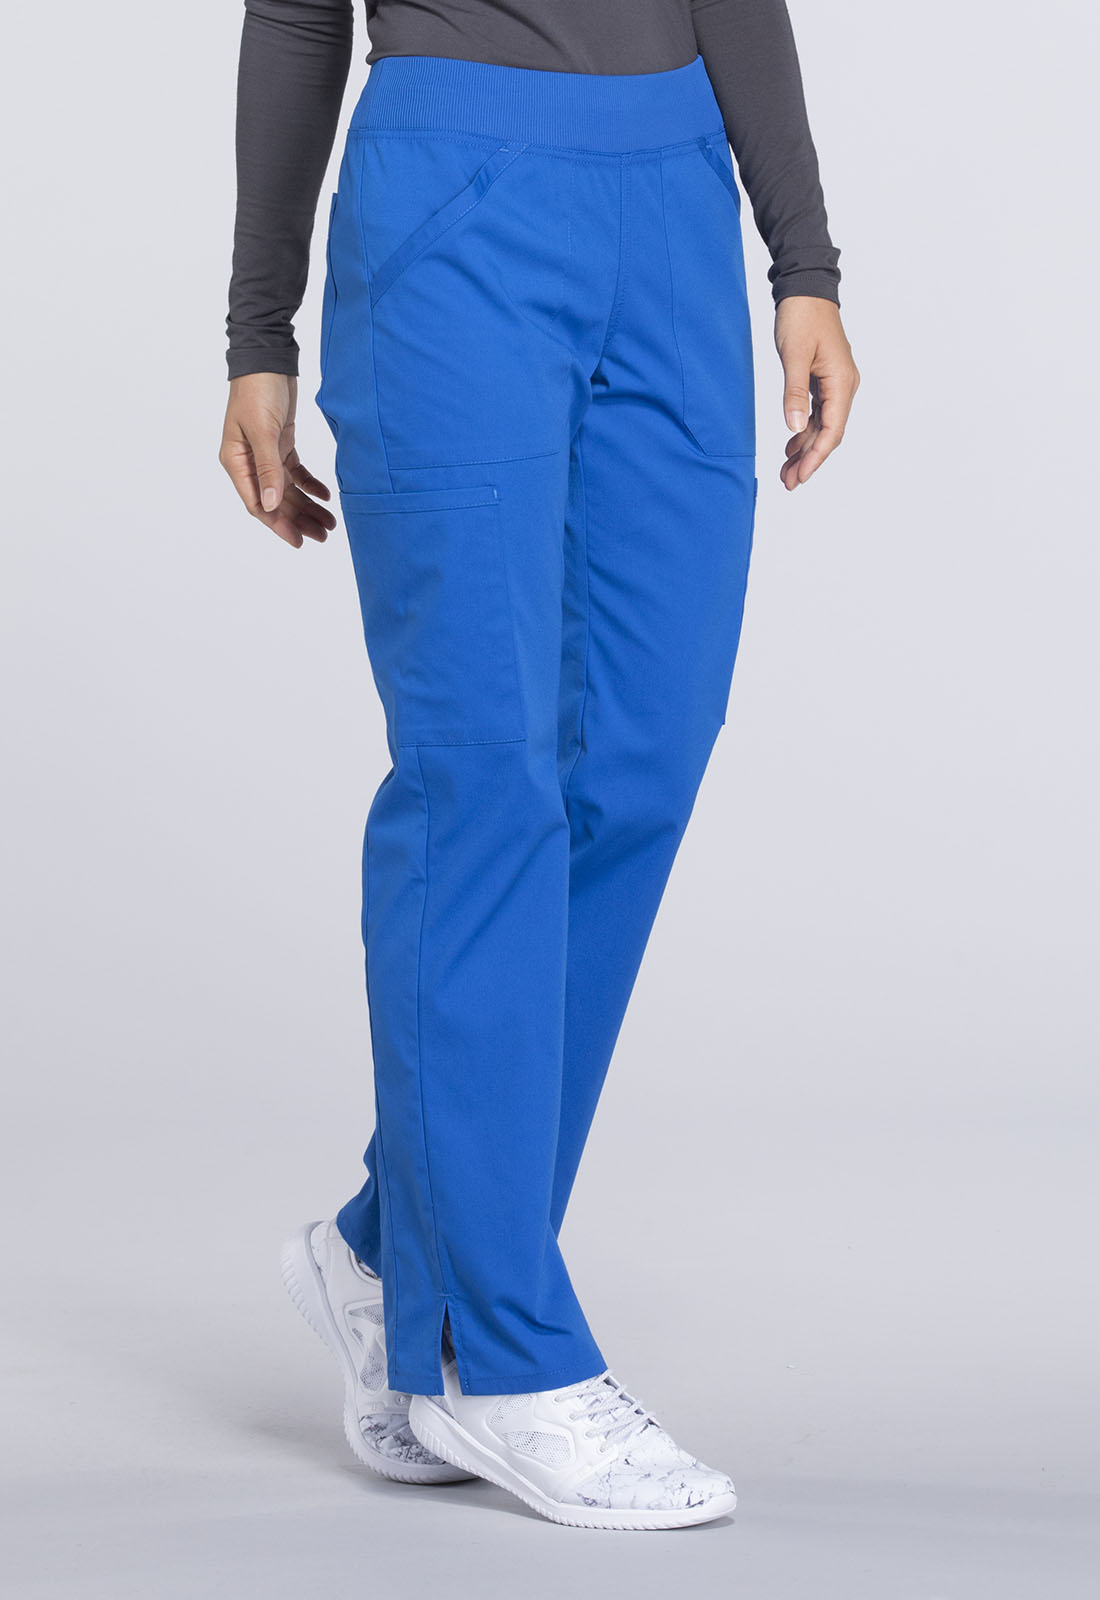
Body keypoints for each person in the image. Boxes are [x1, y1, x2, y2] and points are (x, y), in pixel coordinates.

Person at [219, 0, 859, 1532]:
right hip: (456, 195)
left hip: (677, 192)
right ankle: (491, 1352)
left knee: (644, 748)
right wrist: (258, 334)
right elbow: (296, 14)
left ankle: (392, 1251)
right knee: (483, 774)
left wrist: (806, 262)